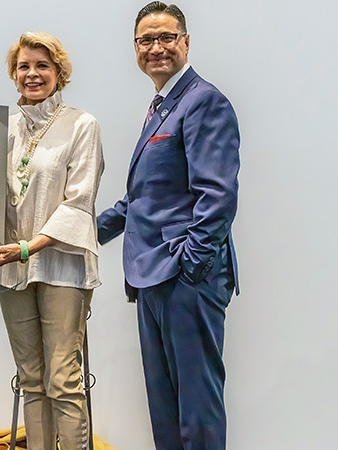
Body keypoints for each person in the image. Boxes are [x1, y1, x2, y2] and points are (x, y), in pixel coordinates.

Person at [96, 3, 240, 449]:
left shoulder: (203, 101)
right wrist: (70, 233)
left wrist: (191, 265)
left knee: (196, 413)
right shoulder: (160, 106)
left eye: (166, 37)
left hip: (185, 279)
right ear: (135, 49)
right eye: (146, 40)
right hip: (150, 277)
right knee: (165, 412)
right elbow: (141, 201)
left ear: (186, 42)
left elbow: (217, 197)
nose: (156, 48)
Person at [0, 32, 105, 450]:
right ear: (14, 76)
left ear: (59, 73)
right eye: (24, 66)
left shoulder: (81, 125)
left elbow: (80, 201)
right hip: (10, 265)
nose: (32, 74)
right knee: (30, 376)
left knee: (63, 378)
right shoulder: (3, 125)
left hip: (60, 263)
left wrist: (31, 246)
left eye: (42, 66)